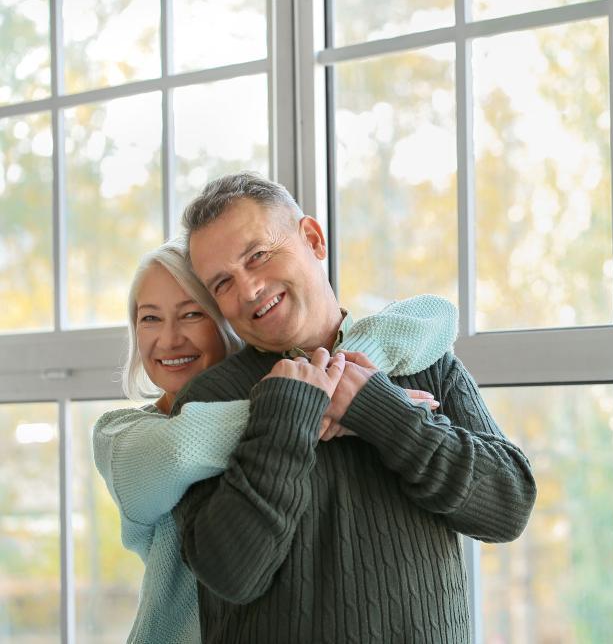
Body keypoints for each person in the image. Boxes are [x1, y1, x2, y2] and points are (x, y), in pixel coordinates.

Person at [171, 172, 536, 642]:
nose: (248, 290)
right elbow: (230, 575)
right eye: (222, 283)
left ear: (312, 239)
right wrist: (285, 417)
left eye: (258, 255)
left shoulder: (418, 356)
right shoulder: (209, 400)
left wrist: (381, 412)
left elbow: (509, 506)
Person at [93, 238, 458, 643]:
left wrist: (344, 385)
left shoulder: (289, 390)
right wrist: (326, 404)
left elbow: (436, 314)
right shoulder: (120, 437)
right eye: (149, 318)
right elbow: (182, 447)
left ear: (231, 321)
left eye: (192, 314)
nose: (169, 338)